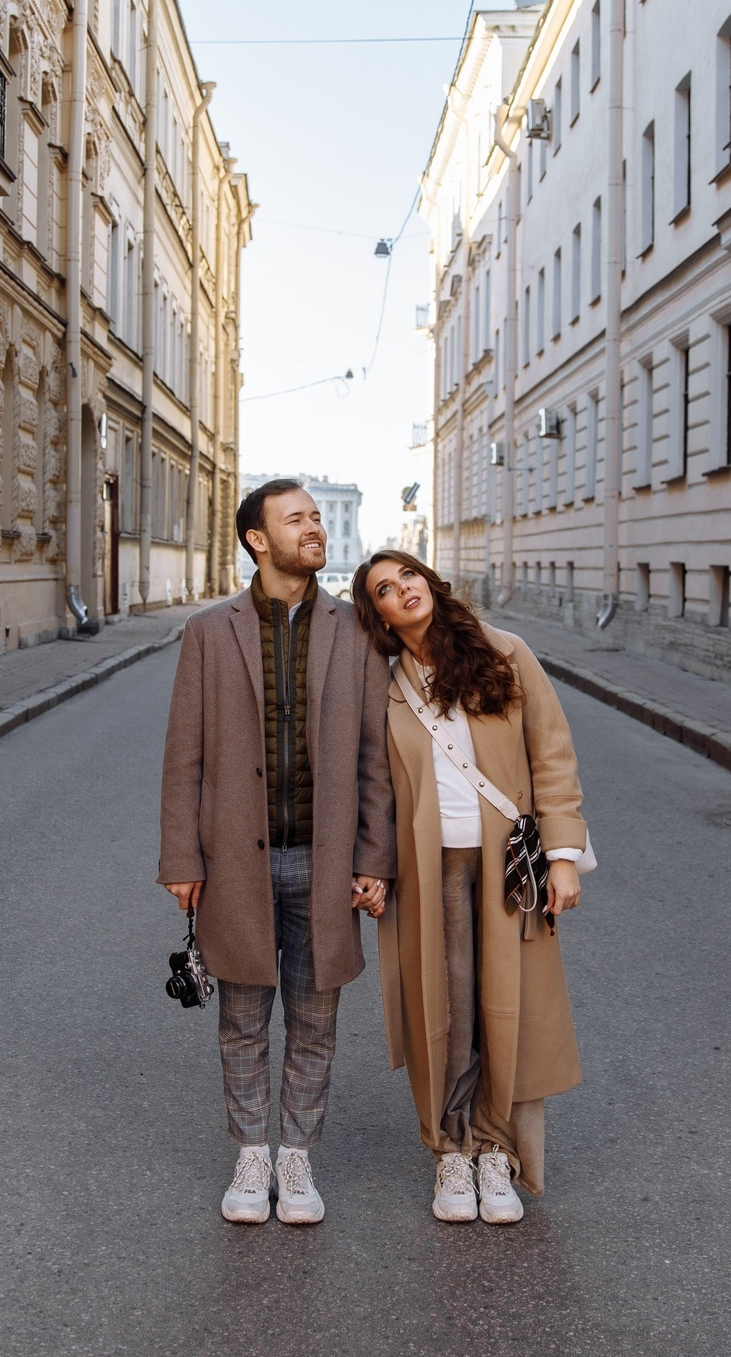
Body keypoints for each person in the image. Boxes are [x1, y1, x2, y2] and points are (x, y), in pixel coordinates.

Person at [158, 480, 396, 1226]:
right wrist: (182, 859)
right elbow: (183, 757)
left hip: (324, 862)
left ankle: (296, 1155)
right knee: (242, 1016)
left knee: (316, 1017)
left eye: (317, 517)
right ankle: (250, 1152)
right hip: (237, 860)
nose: (314, 528)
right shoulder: (209, 632)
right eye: (297, 519)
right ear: (258, 539)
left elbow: (374, 759)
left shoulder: (353, 631)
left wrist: (373, 855)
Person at [351, 549, 587, 1226]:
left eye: (409, 576)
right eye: (387, 590)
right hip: (430, 868)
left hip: (508, 864)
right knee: (444, 1008)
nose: (405, 590)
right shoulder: (387, 685)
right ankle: (450, 1148)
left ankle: (498, 1150)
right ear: (382, 616)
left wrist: (563, 855)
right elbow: (370, 782)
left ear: (430, 580)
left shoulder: (504, 651)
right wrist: (368, 864)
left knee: (506, 1007)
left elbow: (552, 752)